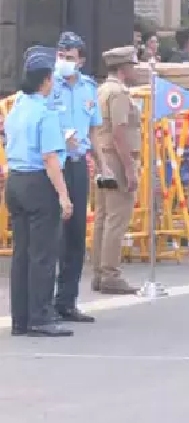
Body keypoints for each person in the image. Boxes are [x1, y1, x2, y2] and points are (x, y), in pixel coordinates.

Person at [5, 47, 74, 337]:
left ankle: (21, 318)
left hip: (16, 181)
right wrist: (64, 195)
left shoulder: (17, 106)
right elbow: (49, 158)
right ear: (46, 80)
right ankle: (41, 316)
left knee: (22, 253)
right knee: (43, 254)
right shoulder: (44, 113)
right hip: (37, 183)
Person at [50, 32, 102, 321]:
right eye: (61, 56)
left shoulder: (88, 88)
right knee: (52, 234)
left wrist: (101, 162)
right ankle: (44, 301)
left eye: (70, 58)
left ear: (80, 61)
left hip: (78, 163)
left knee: (75, 235)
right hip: (53, 164)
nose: (64, 62)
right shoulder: (49, 85)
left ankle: (67, 301)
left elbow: (93, 130)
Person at [90, 47, 142, 295]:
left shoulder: (101, 90)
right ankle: (110, 272)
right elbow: (120, 132)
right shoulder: (119, 93)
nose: (135, 69)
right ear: (124, 68)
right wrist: (130, 169)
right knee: (117, 218)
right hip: (117, 158)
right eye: (133, 65)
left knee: (103, 217)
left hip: (103, 158)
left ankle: (99, 272)